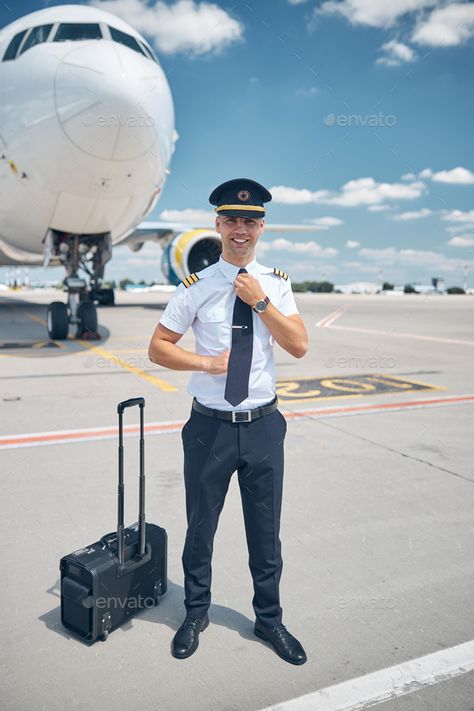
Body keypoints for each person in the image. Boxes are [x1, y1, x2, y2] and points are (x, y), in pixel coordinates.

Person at [148, 178, 308, 664]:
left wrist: (260, 300)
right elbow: (158, 348)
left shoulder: (277, 284)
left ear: (262, 227)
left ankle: (270, 620)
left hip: (263, 426)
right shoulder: (194, 288)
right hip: (209, 428)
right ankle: (195, 613)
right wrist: (204, 363)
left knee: (265, 531)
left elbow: (298, 345)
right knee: (201, 527)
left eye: (250, 221)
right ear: (218, 224)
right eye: (232, 220)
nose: (241, 229)